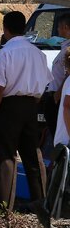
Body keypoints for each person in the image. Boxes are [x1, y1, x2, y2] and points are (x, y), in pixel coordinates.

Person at [0, 10, 52, 223]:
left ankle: (3, 205)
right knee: (33, 154)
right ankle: (41, 202)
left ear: (5, 29)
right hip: (31, 105)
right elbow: (44, 84)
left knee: (6, 155)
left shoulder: (4, 54)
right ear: (25, 28)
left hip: (7, 106)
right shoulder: (38, 54)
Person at [43, 14, 70, 143]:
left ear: (66, 27)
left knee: (57, 132)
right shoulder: (65, 46)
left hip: (60, 96)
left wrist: (58, 94)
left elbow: (68, 74)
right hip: (55, 94)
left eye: (59, 27)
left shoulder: (68, 49)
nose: (58, 30)